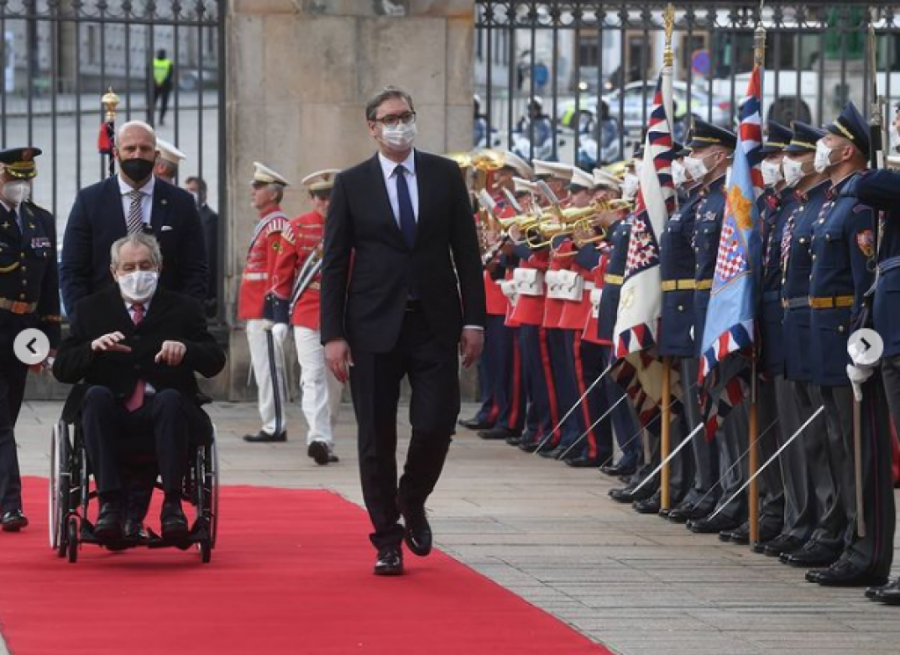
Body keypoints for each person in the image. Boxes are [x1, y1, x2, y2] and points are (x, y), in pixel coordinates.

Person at [321, 86, 485, 576]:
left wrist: (474, 318)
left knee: (437, 421)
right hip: (371, 326)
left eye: (406, 116)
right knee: (376, 435)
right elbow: (333, 265)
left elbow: (467, 254)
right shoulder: (352, 183)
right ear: (371, 126)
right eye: (389, 118)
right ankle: (386, 537)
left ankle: (411, 498)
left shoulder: (444, 175)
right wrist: (332, 333)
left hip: (434, 321)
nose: (400, 125)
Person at [53, 234, 225, 543]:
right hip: (108, 416)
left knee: (171, 399)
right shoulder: (90, 309)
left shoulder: (184, 308)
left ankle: (172, 505)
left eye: (145, 265)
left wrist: (186, 348)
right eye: (128, 267)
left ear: (159, 267)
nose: (137, 273)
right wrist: (91, 348)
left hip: (165, 415)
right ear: (114, 271)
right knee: (94, 396)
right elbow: (62, 368)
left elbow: (214, 361)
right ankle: (109, 504)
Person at [60, 120, 208, 315]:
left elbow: (196, 270)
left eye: (144, 148)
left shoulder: (182, 203)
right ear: (116, 153)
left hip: (167, 324)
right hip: (104, 323)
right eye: (130, 148)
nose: (137, 154)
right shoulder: (90, 201)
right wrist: (83, 321)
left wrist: (187, 319)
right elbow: (72, 269)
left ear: (156, 156)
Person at [0, 147, 61, 532]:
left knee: (11, 411)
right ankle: (10, 504)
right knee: (1, 422)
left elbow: (50, 285)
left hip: (25, 334)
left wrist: (51, 338)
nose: (20, 186)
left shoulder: (42, 220)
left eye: (26, 179)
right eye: (13, 179)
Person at [270, 169, 344, 465]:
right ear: (313, 199)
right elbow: (282, 274)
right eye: (321, 197)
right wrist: (278, 317)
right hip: (307, 312)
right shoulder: (296, 228)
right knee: (312, 377)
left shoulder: (352, 228)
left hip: (340, 315)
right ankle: (318, 437)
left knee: (335, 382)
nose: (326, 203)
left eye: (331, 197)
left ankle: (327, 434)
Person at [240, 163, 292, 444]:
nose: (253, 191)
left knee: (270, 368)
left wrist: (275, 313)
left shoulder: (275, 225)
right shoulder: (267, 223)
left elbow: (277, 272)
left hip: (265, 310)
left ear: (272, 194)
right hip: (255, 308)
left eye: (258, 187)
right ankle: (271, 421)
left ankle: (275, 424)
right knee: (264, 368)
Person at [184, 176, 219, 318]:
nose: (189, 194)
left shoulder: (210, 218)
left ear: (204, 194)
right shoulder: (184, 215)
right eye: (187, 191)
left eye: (193, 190)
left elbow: (210, 254)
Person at [152, 49, 174, 126]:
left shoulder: (168, 63)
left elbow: (170, 74)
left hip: (161, 85)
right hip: (159, 85)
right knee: (153, 103)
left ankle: (160, 119)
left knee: (161, 103)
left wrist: (158, 81)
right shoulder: (155, 62)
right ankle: (152, 118)